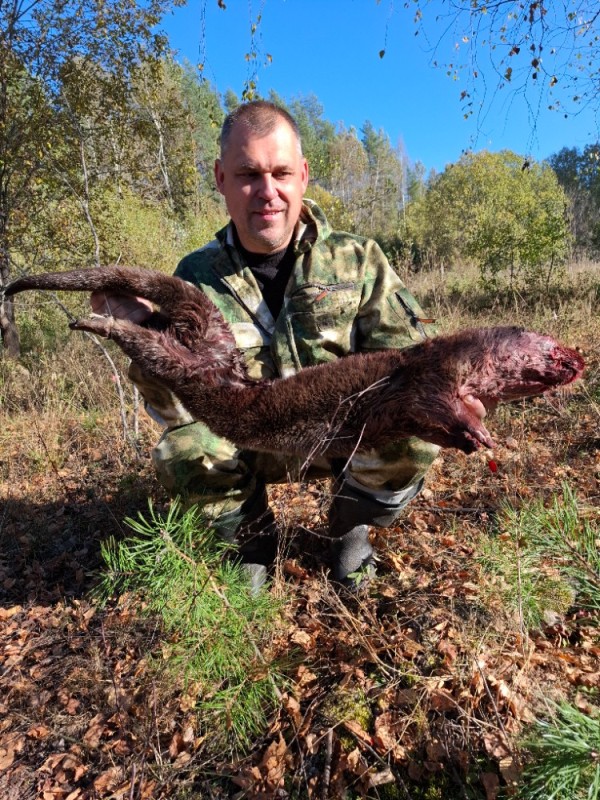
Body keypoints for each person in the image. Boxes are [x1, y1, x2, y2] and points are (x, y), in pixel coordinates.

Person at [92, 100, 444, 591]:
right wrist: (143, 342)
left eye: (281, 172)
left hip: (342, 434)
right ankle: (251, 542)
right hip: (245, 440)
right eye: (247, 174)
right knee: (185, 447)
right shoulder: (193, 278)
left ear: (303, 175)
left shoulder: (358, 259)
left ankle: (349, 529)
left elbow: (412, 361)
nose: (267, 191)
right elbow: (177, 405)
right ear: (220, 178)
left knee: (419, 424)